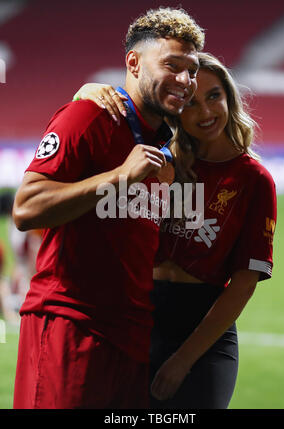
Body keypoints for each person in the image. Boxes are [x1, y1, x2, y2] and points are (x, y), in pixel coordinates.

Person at [12, 7, 204, 409]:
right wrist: (120, 176)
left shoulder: (164, 145)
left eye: (192, 70)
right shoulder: (86, 116)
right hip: (71, 328)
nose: (185, 81)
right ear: (133, 63)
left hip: (131, 339)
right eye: (172, 65)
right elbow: (27, 207)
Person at [73, 51, 277, 409]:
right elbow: (100, 126)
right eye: (192, 102)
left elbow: (244, 283)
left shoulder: (254, 179)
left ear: (229, 97)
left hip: (204, 334)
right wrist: (87, 91)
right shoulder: (160, 157)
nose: (205, 112)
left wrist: (183, 361)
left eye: (214, 96)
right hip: (136, 318)